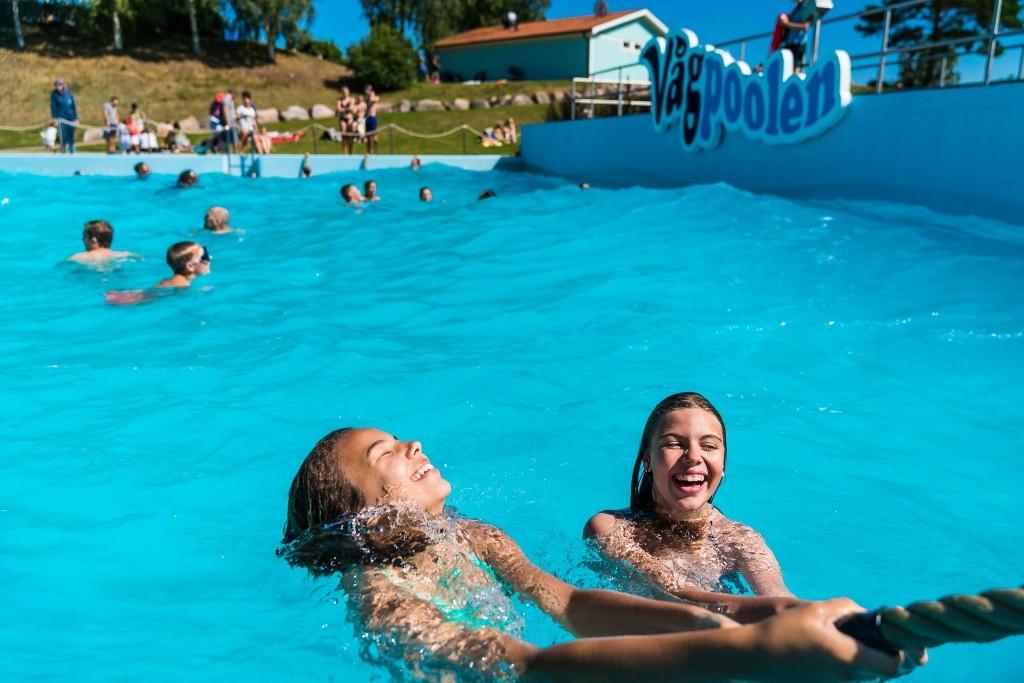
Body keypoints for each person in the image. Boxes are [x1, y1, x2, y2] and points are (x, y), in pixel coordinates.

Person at [278, 427, 923, 682]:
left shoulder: (476, 538)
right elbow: (525, 668)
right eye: (382, 453)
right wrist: (746, 650)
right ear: (362, 515)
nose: (413, 442)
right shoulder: (381, 597)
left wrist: (740, 616)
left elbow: (571, 602)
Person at [585, 392, 801, 623]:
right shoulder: (611, 527)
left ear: (723, 464)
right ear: (647, 461)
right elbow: (679, 594)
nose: (693, 457)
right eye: (674, 444)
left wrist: (802, 612)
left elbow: (777, 594)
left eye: (709, 446)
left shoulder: (738, 538)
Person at [67, 220, 136, 264]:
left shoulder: (78, 257)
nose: (83, 240)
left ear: (94, 241)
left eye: (84, 237)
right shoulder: (124, 254)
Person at [776, 0, 815, 73]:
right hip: (789, 44)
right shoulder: (796, 9)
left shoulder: (806, 7)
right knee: (783, 71)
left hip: (797, 45)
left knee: (791, 71)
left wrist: (786, 24)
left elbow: (805, 26)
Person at [50, 77, 78, 154]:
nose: (58, 87)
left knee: (71, 134)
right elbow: (53, 107)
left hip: (70, 117)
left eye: (59, 85)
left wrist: (76, 118)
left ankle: (72, 150)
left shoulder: (69, 93)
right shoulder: (54, 94)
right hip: (61, 118)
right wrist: (55, 118)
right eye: (56, 85)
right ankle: (64, 150)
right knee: (63, 135)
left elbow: (73, 106)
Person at [336, 86, 356, 155]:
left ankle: (351, 151)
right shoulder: (340, 100)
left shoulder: (351, 99)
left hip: (350, 119)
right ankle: (344, 152)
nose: (345, 93)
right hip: (343, 119)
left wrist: (343, 109)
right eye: (343, 92)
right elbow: (338, 108)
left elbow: (351, 108)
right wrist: (346, 109)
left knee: (350, 136)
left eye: (346, 92)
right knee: (343, 135)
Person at [364, 85, 380, 155]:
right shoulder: (367, 98)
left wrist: (371, 94)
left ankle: (375, 151)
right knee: (367, 136)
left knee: (374, 136)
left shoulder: (375, 97)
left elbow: (373, 99)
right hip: (367, 118)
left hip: (373, 118)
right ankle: (368, 151)